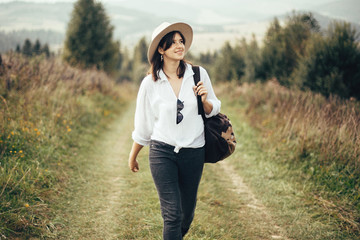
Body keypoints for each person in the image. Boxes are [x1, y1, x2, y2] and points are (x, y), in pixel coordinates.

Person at [128, 22, 221, 240]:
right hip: (162, 152)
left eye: (181, 41)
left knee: (186, 215)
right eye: (173, 43)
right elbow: (143, 125)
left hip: (194, 152)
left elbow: (213, 108)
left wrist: (205, 101)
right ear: (161, 49)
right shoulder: (150, 83)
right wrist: (133, 156)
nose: (180, 46)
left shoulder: (198, 74)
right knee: (172, 215)